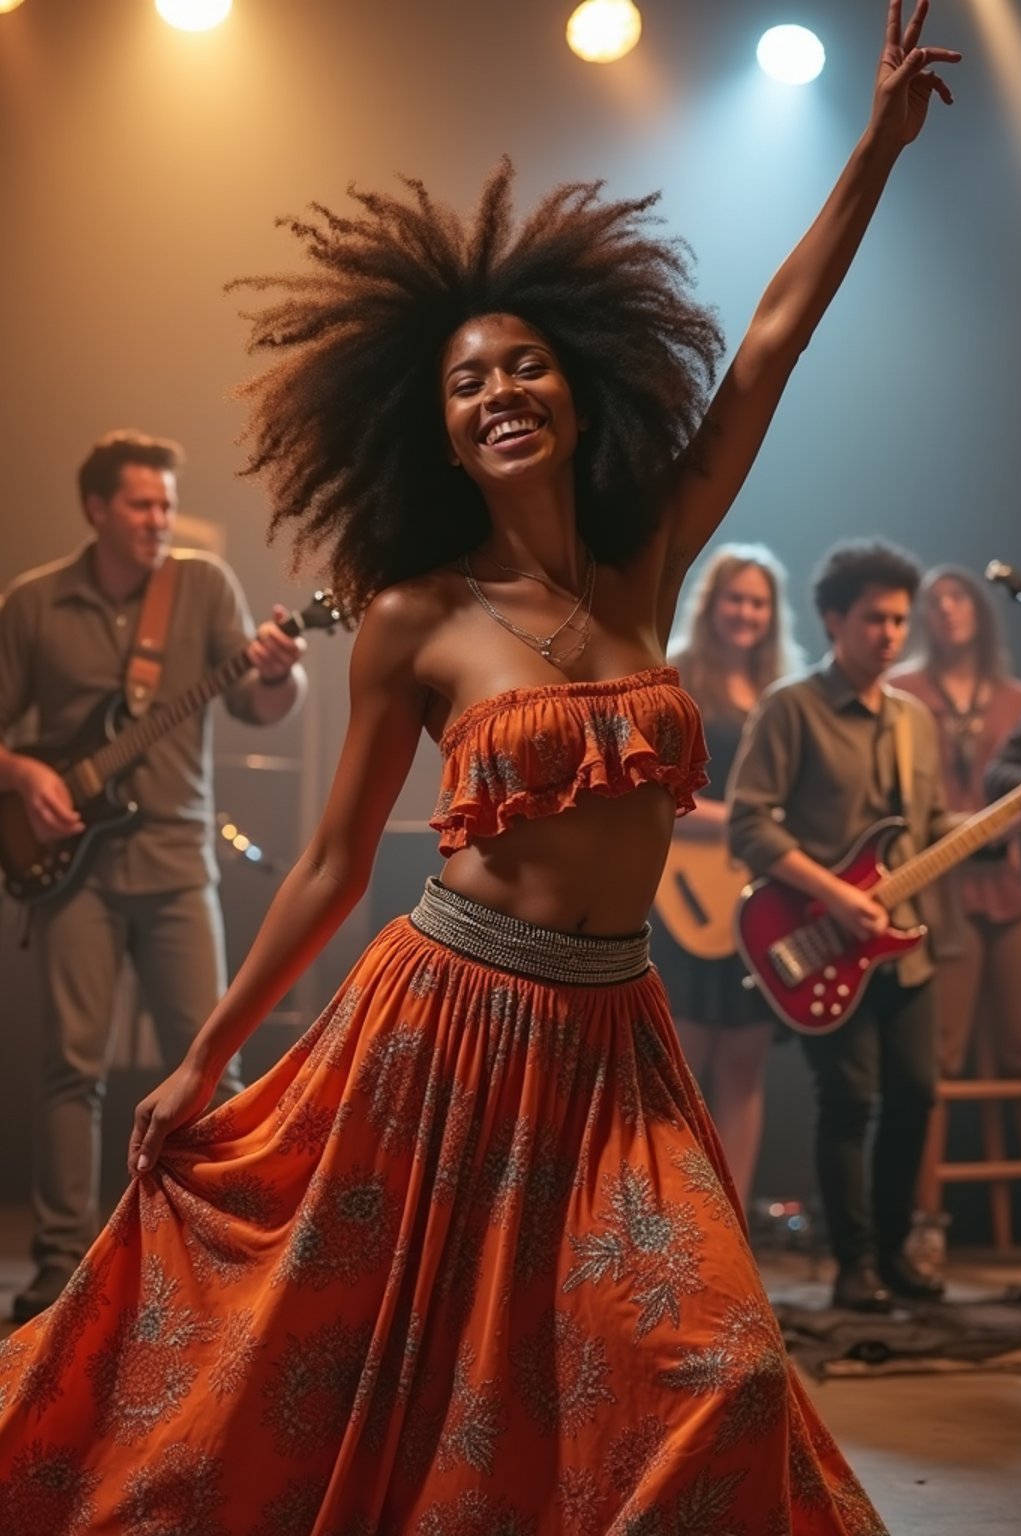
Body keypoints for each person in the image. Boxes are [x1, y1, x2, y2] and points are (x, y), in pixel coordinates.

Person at [0, 6, 958, 1530]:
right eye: (467, 383)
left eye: (525, 367)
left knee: (720, 1367)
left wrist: (871, 159)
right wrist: (207, 1054)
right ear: (439, 434)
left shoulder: (648, 565)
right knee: (371, 1371)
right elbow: (327, 863)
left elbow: (769, 346)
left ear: (577, 393)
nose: (500, 389)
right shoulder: (414, 621)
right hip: (446, 1023)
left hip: (616, 1035)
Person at [0, 430, 307, 1322]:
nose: (158, 521)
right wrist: (27, 776)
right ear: (97, 510)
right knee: (70, 1068)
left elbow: (259, 707)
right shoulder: (33, 603)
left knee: (214, 1062)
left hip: (177, 863)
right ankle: (58, 1269)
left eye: (167, 506)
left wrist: (281, 671)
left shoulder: (203, 585)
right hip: (71, 876)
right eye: (142, 506)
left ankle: (237, 1256)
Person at [729, 539, 954, 1315]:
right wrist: (837, 895)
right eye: (873, 620)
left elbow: (925, 831)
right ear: (833, 619)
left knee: (917, 1097)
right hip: (822, 940)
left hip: (904, 948)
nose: (890, 634)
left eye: (899, 621)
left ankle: (895, 1254)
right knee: (850, 1102)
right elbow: (751, 827)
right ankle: (853, 1266)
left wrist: (990, 832)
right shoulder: (790, 709)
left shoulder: (915, 721)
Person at [650, 543, 803, 1210]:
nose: (746, 613)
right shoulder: (675, 679)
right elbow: (657, 793)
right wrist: (739, 821)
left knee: (744, 1065)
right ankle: (675, 1223)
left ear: (774, 615)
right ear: (712, 604)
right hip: (682, 901)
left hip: (757, 903)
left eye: (759, 603)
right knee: (679, 1069)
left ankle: (731, 1227)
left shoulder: (788, 696)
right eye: (735, 599)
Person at [893, 568, 1021, 1087]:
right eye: (935, 600)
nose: (946, 608)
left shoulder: (1016, 697)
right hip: (935, 884)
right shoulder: (897, 691)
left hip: (1012, 879)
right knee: (940, 1052)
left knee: (1020, 1050)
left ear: (980, 610)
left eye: (959, 597)